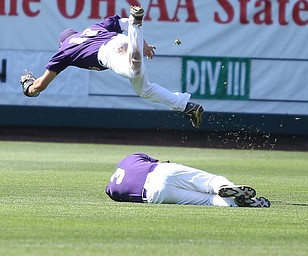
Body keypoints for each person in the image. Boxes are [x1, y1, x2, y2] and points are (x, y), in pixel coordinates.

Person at [20, 6, 204, 128]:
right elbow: (123, 22)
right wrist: (144, 44)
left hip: (111, 53)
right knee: (144, 89)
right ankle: (187, 107)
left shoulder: (66, 50)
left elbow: (40, 86)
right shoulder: (93, 29)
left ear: (62, 43)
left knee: (133, 69)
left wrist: (29, 89)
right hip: (120, 40)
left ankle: (137, 28)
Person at [105, 153, 271, 207]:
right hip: (160, 171)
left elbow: (117, 195)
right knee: (210, 182)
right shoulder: (131, 157)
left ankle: (236, 203)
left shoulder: (111, 190)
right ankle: (226, 186)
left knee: (209, 201)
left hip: (153, 195)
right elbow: (159, 163)